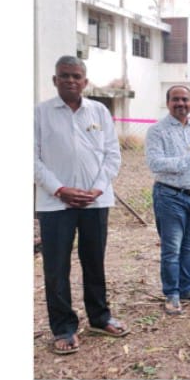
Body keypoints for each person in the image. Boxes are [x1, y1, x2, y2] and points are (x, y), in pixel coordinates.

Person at [35, 55, 128, 354]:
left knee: (94, 262)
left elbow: (112, 155)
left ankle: (100, 318)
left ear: (85, 82)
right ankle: (63, 327)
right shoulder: (40, 113)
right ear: (55, 80)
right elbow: (31, 158)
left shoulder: (99, 112)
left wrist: (97, 190)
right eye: (65, 76)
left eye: (77, 76)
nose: (71, 81)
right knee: (56, 268)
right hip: (55, 204)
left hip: (95, 203)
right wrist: (60, 189)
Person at [146, 85, 190, 316]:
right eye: (176, 99)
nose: (181, 103)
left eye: (185, 99)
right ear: (168, 102)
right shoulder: (157, 131)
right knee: (171, 249)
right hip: (170, 197)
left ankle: (187, 289)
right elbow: (156, 164)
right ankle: (172, 294)